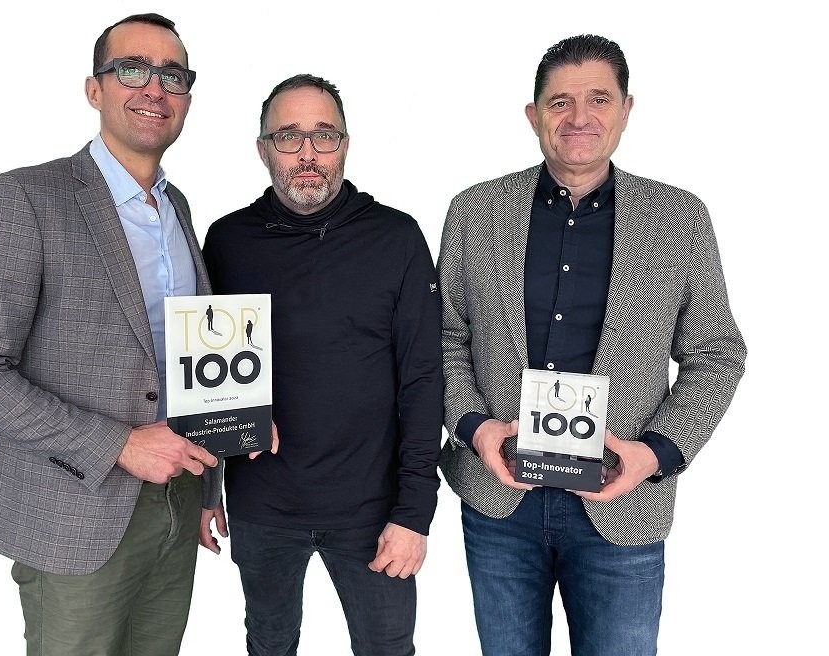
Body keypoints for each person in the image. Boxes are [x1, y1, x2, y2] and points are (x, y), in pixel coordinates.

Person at [437, 35, 746, 656]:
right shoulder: (474, 212)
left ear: (627, 109)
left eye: (599, 99)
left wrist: (652, 454)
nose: (579, 118)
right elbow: (444, 338)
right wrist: (475, 428)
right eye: (560, 102)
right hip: (501, 505)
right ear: (533, 115)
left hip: (621, 506)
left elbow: (717, 354)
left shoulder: (678, 219)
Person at [0, 13, 220, 655]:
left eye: (172, 75)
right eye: (132, 68)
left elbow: (185, 362)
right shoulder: (27, 199)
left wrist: (209, 486)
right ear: (95, 89)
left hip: (177, 504)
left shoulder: (178, 209)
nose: (154, 87)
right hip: (72, 513)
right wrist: (118, 444)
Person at [199, 74, 443, 656]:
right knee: (270, 643)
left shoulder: (396, 237)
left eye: (323, 136)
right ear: (263, 149)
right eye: (288, 137)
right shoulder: (228, 241)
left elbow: (424, 379)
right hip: (262, 505)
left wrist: (415, 513)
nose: (307, 154)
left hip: (373, 508)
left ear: (345, 144)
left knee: (387, 648)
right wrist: (207, 487)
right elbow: (204, 373)